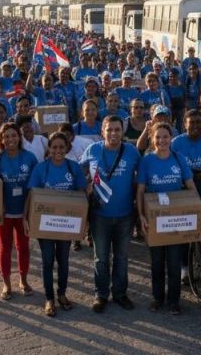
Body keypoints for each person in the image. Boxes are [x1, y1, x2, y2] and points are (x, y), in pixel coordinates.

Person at [80, 116, 141, 312]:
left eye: (117, 129)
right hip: (100, 215)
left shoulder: (131, 151)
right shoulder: (93, 150)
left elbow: (142, 177)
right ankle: (101, 295)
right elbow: (79, 172)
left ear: (122, 131)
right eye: (109, 130)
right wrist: (85, 186)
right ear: (103, 131)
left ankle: (120, 294)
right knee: (101, 258)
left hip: (125, 214)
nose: (113, 133)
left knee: (122, 258)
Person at [136, 122, 196, 314]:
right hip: (155, 219)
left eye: (165, 137)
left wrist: (196, 210)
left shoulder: (179, 159)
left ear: (171, 138)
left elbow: (190, 185)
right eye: (158, 137)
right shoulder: (146, 161)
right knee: (157, 261)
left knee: (174, 261)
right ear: (152, 139)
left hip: (176, 218)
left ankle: (174, 301)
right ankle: (157, 298)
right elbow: (140, 191)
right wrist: (141, 216)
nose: (162, 140)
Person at [27, 131, 87, 316]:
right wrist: (25, 218)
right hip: (45, 224)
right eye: (54, 147)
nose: (58, 151)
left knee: (63, 261)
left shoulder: (73, 168)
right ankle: (49, 298)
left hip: (66, 225)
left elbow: (82, 195)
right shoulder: (41, 168)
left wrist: (85, 222)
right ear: (49, 149)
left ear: (67, 148)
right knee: (47, 261)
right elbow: (31, 195)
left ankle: (61, 294)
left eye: (61, 147)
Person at [0, 123, 39, 300]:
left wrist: (30, 211)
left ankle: (23, 280)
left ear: (19, 137)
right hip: (4, 213)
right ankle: (6, 283)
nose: (10, 139)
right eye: (6, 136)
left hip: (24, 212)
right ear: (1, 140)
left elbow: (36, 186)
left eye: (14, 135)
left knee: (23, 246)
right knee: (4, 247)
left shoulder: (30, 158)